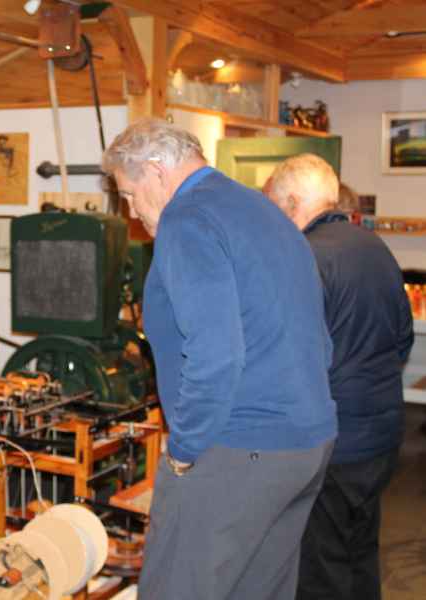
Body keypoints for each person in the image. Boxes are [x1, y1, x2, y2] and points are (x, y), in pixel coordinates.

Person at [100, 119, 336, 600]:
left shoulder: (187, 219)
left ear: (155, 170)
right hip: (305, 444)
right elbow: (318, 337)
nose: (131, 210)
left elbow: (215, 354)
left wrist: (184, 450)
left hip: (238, 447)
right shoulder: (260, 208)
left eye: (128, 194)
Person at [264, 155, 413, 600]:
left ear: (292, 203)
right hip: (381, 436)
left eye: (274, 207)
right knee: (360, 551)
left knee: (319, 568)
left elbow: (290, 359)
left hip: (331, 443)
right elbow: (402, 339)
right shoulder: (374, 247)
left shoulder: (303, 258)